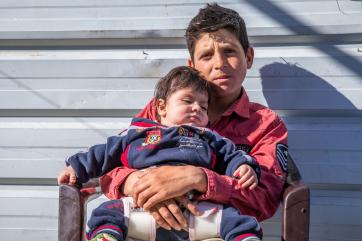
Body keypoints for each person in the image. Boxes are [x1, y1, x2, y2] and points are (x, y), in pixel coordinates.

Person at [100, 2, 288, 234]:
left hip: (216, 230)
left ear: (248, 57)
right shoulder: (163, 109)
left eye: (229, 51)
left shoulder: (266, 125)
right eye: (206, 56)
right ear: (193, 67)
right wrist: (143, 185)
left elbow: (265, 197)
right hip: (148, 223)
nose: (219, 64)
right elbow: (113, 165)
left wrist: (198, 178)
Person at [58, 66, 263, 241]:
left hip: (197, 209)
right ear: (162, 107)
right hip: (140, 206)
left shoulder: (208, 137)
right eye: (187, 101)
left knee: (236, 219)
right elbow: (104, 153)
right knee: (106, 212)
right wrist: (76, 167)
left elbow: (230, 154)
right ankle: (106, 236)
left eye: (203, 106)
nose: (197, 109)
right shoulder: (138, 133)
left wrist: (244, 166)